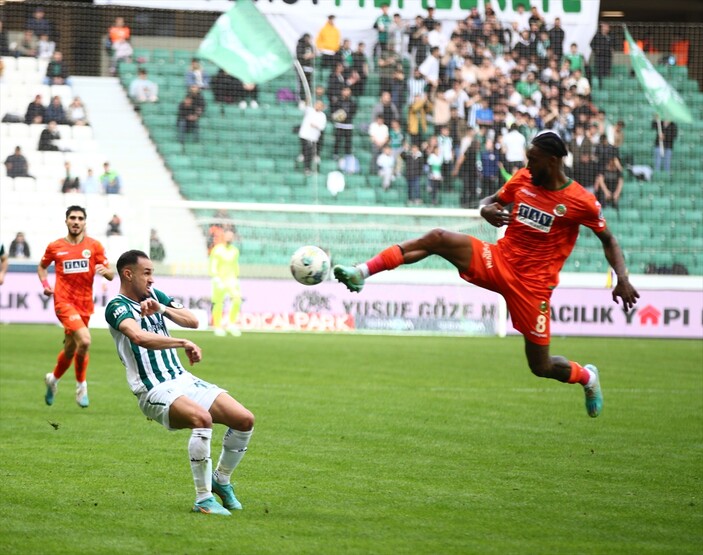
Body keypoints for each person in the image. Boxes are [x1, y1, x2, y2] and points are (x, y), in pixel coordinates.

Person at [333, 131, 639, 418]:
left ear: (554, 161)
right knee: (437, 237)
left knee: (541, 366)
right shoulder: (522, 179)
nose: (526, 165)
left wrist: (621, 278)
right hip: (499, 260)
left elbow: (608, 239)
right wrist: (486, 211)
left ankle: (587, 377)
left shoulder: (579, 201)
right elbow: (490, 203)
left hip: (532, 289)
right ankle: (362, 271)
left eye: (533, 159)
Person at [105, 250, 254, 516]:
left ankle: (221, 479)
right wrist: (181, 342)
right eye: (146, 273)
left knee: (244, 420)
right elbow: (139, 337)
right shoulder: (116, 307)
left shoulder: (155, 296)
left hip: (182, 379)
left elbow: (193, 321)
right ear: (128, 274)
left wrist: (161, 308)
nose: (152, 279)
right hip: (152, 388)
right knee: (202, 420)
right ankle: (203, 499)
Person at [39, 206, 115, 408]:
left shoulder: (94, 246)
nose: (76, 221)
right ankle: (81, 385)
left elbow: (111, 274)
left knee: (72, 349)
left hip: (85, 305)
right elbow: (42, 267)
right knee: (86, 341)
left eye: (80, 218)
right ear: (66, 221)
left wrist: (104, 271)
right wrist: (46, 286)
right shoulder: (55, 246)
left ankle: (53, 380)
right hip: (63, 302)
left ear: (84, 222)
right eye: (72, 218)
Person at [209, 230, 242, 337]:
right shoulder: (217, 250)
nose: (230, 238)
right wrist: (215, 278)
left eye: (231, 236)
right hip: (219, 280)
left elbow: (235, 265)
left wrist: (237, 277)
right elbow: (213, 264)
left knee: (237, 300)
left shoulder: (235, 251)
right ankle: (217, 326)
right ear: (224, 237)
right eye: (228, 236)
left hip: (231, 279)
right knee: (218, 302)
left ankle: (231, 324)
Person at [298, 100, 327, 176]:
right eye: (317, 104)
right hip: (304, 134)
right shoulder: (309, 111)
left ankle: (307, 167)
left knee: (309, 151)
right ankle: (303, 157)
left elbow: (322, 127)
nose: (318, 106)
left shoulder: (322, 116)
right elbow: (302, 107)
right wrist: (306, 101)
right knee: (305, 148)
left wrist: (315, 125)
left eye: (320, 105)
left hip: (313, 137)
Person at [589, 23, 613, 89]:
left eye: (608, 27)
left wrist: (611, 49)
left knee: (607, 73)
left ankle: (607, 88)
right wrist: (596, 50)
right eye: (606, 27)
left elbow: (613, 45)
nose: (607, 29)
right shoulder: (597, 36)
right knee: (600, 73)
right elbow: (591, 44)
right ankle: (600, 87)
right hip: (599, 58)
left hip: (607, 59)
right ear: (602, 27)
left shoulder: (609, 36)